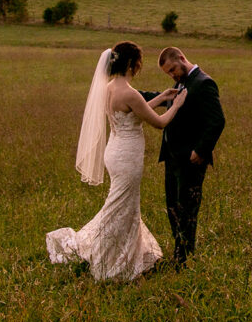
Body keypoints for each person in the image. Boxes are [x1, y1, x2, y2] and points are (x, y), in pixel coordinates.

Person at [46, 41, 187, 280]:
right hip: (127, 157)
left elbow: (132, 113)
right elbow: (159, 122)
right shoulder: (130, 93)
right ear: (133, 64)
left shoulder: (110, 88)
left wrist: (162, 96)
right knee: (120, 206)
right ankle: (105, 254)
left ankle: (128, 252)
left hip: (114, 151)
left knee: (124, 203)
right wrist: (177, 104)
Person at [146, 47, 225, 268]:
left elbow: (217, 121)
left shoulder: (203, 83)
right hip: (172, 158)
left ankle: (184, 260)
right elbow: (166, 101)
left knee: (187, 209)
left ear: (182, 58)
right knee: (172, 207)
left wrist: (201, 150)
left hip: (190, 160)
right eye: (168, 73)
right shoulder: (180, 82)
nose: (172, 75)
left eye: (172, 69)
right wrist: (134, 95)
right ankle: (179, 254)